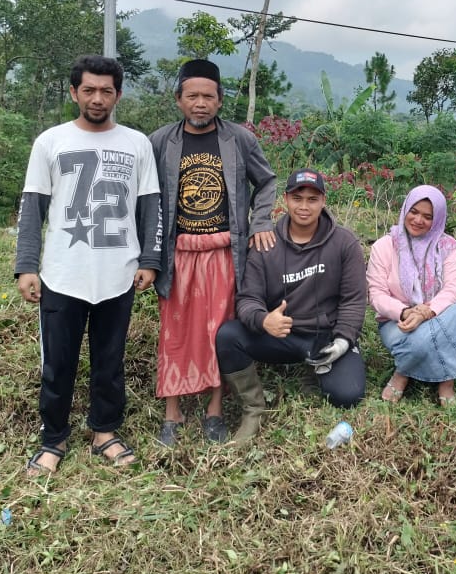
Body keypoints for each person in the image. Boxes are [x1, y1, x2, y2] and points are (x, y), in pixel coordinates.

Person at [15, 55, 161, 476]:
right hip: (62, 273)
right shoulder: (50, 142)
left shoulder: (137, 144)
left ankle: (104, 431)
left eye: (106, 91)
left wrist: (150, 260)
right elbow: (32, 208)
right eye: (89, 90)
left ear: (118, 94)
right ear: (74, 92)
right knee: (58, 364)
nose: (98, 98)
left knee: (110, 361)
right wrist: (27, 265)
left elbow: (150, 206)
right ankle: (53, 438)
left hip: (119, 273)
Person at [148, 59, 277, 448]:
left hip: (223, 252)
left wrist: (261, 222)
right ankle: (172, 412)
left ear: (220, 100)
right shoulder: (160, 141)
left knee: (218, 331)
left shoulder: (239, 140)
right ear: (178, 99)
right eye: (192, 96)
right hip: (178, 254)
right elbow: (145, 196)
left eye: (208, 96)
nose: (200, 103)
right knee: (174, 332)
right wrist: (147, 254)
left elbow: (266, 181)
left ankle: (215, 411)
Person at [215, 168, 367, 444]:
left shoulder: (344, 243)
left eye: (312, 199)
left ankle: (318, 369)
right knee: (228, 336)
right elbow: (248, 298)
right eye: (297, 198)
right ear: (285, 199)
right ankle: (253, 408)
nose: (304, 206)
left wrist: (343, 340)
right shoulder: (265, 242)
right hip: (281, 335)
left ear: (323, 201)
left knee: (348, 395)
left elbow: (354, 300)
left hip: (325, 337)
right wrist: (263, 320)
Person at [367, 185, 456, 406]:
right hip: (397, 322)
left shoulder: (447, 247)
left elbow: (453, 288)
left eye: (428, 217)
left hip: (438, 316)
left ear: (437, 219)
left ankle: (419, 376)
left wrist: (426, 312)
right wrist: (405, 312)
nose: (418, 220)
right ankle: (417, 373)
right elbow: (377, 295)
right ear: (405, 210)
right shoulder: (384, 246)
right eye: (414, 212)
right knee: (431, 338)